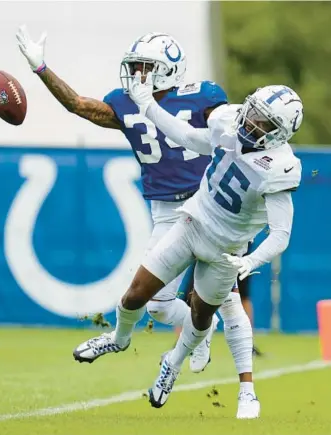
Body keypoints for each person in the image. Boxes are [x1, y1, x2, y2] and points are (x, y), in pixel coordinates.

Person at [16, 26, 255, 378]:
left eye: (144, 66)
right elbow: (78, 105)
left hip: (207, 206)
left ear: (168, 69)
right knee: (156, 305)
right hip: (166, 211)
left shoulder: (203, 96)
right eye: (135, 65)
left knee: (227, 298)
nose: (136, 74)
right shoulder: (125, 102)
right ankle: (197, 330)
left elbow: (227, 128)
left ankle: (217, 357)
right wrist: (41, 69)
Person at [73, 74, 303, 419]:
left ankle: (173, 364)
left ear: (280, 133)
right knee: (137, 294)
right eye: (253, 111)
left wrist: (251, 259)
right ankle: (119, 339)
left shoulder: (280, 167)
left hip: (227, 251)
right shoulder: (230, 119)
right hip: (192, 223)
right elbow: (189, 137)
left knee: (200, 316)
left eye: (262, 121)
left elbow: (281, 234)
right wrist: (148, 105)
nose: (251, 121)